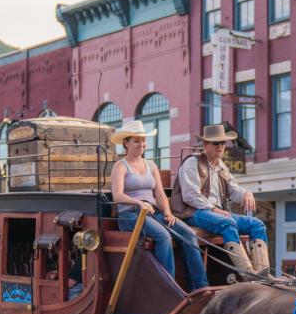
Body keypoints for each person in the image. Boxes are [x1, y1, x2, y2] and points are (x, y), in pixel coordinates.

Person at [109, 120, 209, 290]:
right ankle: (168, 288)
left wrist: (168, 212)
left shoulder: (151, 166)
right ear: (126, 143)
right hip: (130, 216)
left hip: (153, 213)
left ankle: (200, 287)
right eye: (136, 140)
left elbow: (160, 194)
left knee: (189, 235)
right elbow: (117, 196)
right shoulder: (120, 166)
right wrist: (139, 203)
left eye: (143, 140)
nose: (141, 144)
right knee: (163, 236)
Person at [173, 124, 269, 276]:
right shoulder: (192, 163)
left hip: (216, 213)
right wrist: (213, 209)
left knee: (257, 225)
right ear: (205, 145)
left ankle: (262, 272)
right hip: (193, 212)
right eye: (216, 143)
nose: (221, 146)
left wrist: (246, 193)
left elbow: (234, 190)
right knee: (228, 223)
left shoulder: (221, 166)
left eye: (223, 143)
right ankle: (246, 274)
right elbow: (190, 195)